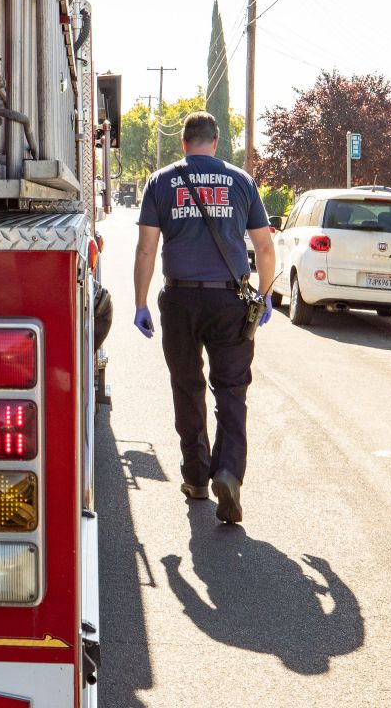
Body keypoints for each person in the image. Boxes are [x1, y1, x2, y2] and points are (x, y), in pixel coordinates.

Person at [132, 111, 276, 523]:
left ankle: (196, 478)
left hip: (179, 299)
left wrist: (141, 303)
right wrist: (264, 295)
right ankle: (228, 471)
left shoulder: (161, 181)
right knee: (231, 390)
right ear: (215, 142)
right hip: (230, 300)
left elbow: (145, 248)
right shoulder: (241, 180)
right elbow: (264, 248)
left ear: (183, 143)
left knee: (187, 385)